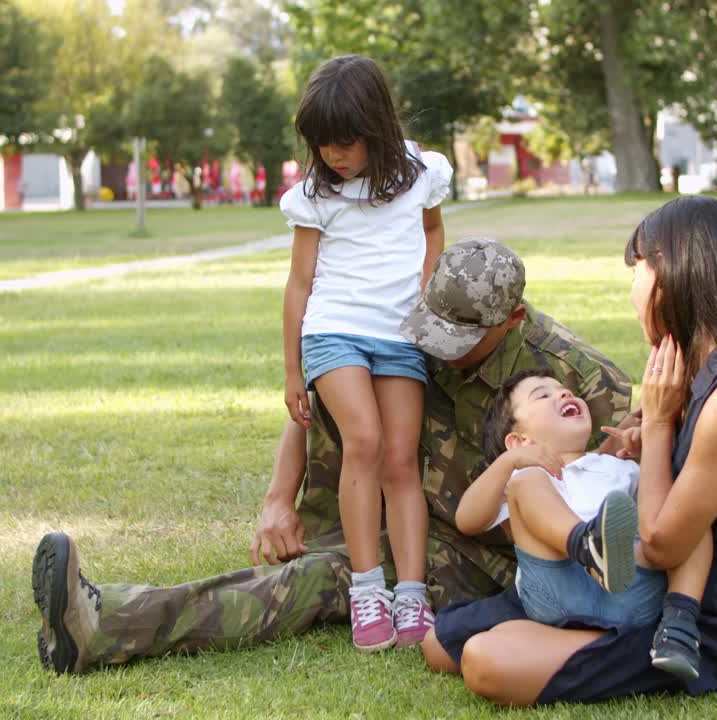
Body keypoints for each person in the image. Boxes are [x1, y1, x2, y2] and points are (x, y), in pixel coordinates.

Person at [30, 237, 635, 674]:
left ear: (514, 320)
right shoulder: (424, 328)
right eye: (434, 329)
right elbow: (322, 403)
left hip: (496, 560)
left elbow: (641, 475)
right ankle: (103, 620)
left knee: (320, 582)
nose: (439, 350)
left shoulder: (578, 380)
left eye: (462, 341)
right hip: (396, 512)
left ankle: (106, 625)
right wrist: (276, 499)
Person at [423, 195, 717, 706]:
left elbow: (663, 543)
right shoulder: (692, 369)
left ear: (669, 277)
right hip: (635, 578)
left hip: (715, 609)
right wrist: (635, 437)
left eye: (638, 272)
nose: (633, 293)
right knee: (438, 645)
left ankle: (615, 639)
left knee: (486, 662)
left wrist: (657, 427)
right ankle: (582, 626)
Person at [279, 54, 453, 651]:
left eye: (346, 142)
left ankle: (411, 595)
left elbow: (432, 232)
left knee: (402, 460)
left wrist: (427, 297)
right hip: (334, 331)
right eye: (323, 144)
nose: (334, 155)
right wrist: (291, 368)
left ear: (377, 127)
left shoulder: (421, 173)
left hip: (399, 334)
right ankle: (367, 589)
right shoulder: (314, 195)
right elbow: (299, 283)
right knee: (366, 443)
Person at [455, 368, 711, 681]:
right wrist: (509, 463)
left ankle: (679, 624)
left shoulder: (618, 467)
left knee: (685, 511)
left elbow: (658, 523)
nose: (563, 394)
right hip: (557, 591)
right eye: (543, 395)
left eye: (565, 390)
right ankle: (586, 546)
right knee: (528, 481)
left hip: (630, 591)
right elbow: (467, 520)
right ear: (519, 440)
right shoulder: (521, 476)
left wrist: (645, 455)